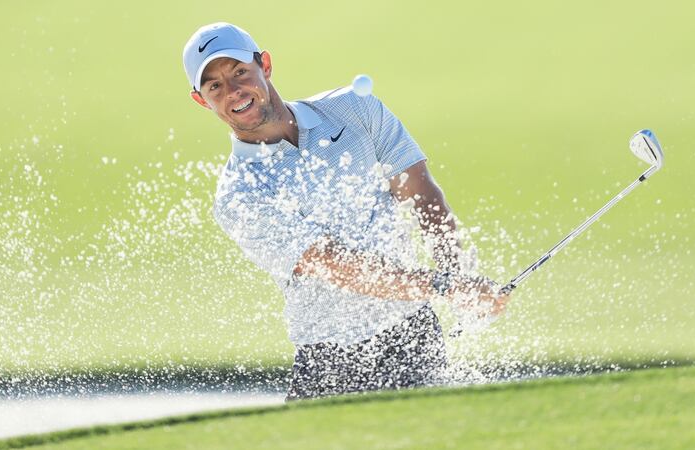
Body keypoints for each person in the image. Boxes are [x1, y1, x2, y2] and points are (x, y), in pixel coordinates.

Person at [182, 22, 509, 400]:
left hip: (414, 335)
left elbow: (422, 195)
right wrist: (447, 286)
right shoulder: (239, 196)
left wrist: (459, 277)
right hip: (331, 363)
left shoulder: (354, 109)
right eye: (215, 86)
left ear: (265, 65)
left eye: (239, 72)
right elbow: (337, 265)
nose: (234, 91)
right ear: (201, 99)